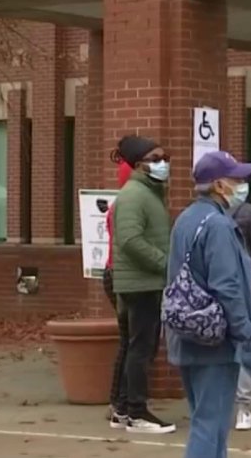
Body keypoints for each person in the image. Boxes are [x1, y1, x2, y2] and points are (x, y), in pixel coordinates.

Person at [166, 151, 251, 458]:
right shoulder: (218, 226)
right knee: (211, 426)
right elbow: (227, 286)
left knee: (207, 421)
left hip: (189, 333)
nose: (243, 184)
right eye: (237, 179)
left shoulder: (186, 218)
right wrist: (245, 332)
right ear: (220, 185)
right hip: (216, 341)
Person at [111, 135, 177, 433]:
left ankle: (123, 410)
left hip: (144, 282)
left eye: (165, 158)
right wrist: (165, 263)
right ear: (139, 165)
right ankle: (136, 412)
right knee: (141, 349)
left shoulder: (148, 193)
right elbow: (130, 240)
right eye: (156, 159)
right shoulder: (135, 195)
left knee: (137, 347)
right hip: (140, 285)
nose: (164, 163)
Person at [228, 171, 251, 430]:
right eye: (238, 180)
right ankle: (242, 408)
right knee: (249, 342)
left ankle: (226, 404)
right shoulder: (250, 213)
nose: (243, 186)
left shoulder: (199, 215)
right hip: (249, 283)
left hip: (219, 285)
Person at [104, 143, 136, 428]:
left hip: (115, 273)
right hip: (123, 276)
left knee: (128, 343)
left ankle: (119, 401)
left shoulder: (121, 201)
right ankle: (123, 403)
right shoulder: (129, 201)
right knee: (133, 343)